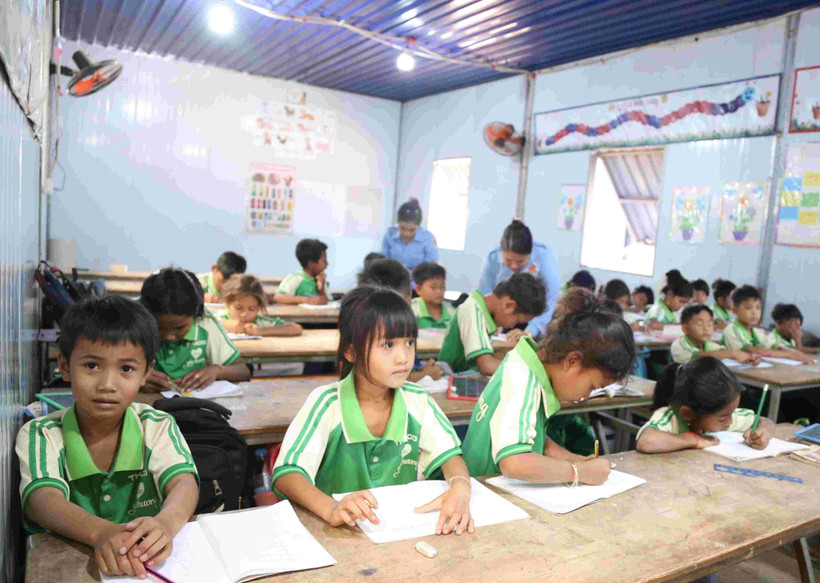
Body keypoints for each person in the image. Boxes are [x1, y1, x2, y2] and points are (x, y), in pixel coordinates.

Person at [16, 296, 199, 578]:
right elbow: (43, 499)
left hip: (145, 566)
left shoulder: (157, 425)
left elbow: (184, 483)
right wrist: (101, 532)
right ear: (64, 366)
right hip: (66, 566)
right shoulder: (42, 434)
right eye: (92, 366)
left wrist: (165, 523)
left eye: (126, 369)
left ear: (146, 373)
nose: (107, 385)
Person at [272, 287, 474, 536]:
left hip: (398, 531)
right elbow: (288, 474)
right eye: (388, 345)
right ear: (351, 351)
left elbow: (450, 456)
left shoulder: (418, 400)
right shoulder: (327, 403)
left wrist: (461, 486)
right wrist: (331, 508)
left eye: (409, 342)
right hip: (335, 534)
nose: (403, 358)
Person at [461, 289, 634, 482]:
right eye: (592, 387)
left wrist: (566, 456)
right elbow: (514, 462)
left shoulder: (528, 364)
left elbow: (528, 430)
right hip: (485, 488)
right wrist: (578, 471)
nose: (586, 397)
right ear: (572, 362)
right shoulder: (523, 381)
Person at [140, 267, 251, 392]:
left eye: (179, 328)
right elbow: (119, 368)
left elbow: (243, 371)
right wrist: (135, 377)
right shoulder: (136, 322)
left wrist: (217, 371)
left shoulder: (205, 323)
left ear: (196, 315)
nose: (169, 336)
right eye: (159, 328)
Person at [636, 358, 773, 453]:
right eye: (723, 418)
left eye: (731, 414)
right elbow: (647, 442)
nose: (730, 422)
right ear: (688, 414)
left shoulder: (723, 415)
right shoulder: (670, 418)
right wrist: (693, 439)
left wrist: (761, 433)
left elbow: (765, 421)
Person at [440, 272, 546, 376]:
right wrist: (532, 367)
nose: (512, 326)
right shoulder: (472, 311)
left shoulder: (480, 310)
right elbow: (487, 366)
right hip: (451, 377)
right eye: (517, 321)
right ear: (509, 306)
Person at [478, 220, 560, 338]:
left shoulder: (545, 256)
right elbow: (485, 296)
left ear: (530, 254)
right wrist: (491, 324)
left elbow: (550, 301)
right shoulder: (492, 258)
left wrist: (529, 332)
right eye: (508, 260)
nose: (514, 266)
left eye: (520, 261)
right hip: (503, 314)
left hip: (534, 318)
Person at [722, 285, 813, 364]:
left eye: (758, 308)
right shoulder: (731, 330)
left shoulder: (755, 332)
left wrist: (795, 353)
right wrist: (788, 355)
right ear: (735, 311)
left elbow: (774, 346)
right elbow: (750, 350)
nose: (755, 313)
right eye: (749, 308)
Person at [670, 304, 758, 365]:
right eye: (700, 324)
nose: (706, 329)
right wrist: (734, 353)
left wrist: (750, 357)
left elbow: (723, 352)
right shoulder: (679, 345)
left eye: (709, 324)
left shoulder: (709, 345)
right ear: (685, 329)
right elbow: (698, 357)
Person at [217, 274, 302, 337]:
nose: (244, 314)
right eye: (238, 308)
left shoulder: (261, 322)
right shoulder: (220, 317)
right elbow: (210, 322)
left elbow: (296, 328)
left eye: (252, 309)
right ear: (227, 303)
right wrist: (224, 324)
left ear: (258, 308)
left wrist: (261, 331)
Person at [381, 198, 438, 271]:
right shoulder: (390, 234)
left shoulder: (428, 238)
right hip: (393, 276)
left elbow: (431, 267)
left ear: (418, 226)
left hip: (418, 277)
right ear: (397, 223)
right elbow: (383, 261)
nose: (406, 234)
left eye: (412, 230)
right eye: (402, 228)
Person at [274, 239, 329, 305]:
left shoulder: (321, 280)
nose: (327, 264)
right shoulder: (296, 278)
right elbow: (278, 297)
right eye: (324, 260)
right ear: (311, 264)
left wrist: (322, 289)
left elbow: (325, 301)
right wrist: (308, 300)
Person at [411, 262, 453, 329]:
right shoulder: (410, 311)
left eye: (442, 287)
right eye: (433, 287)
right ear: (419, 289)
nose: (439, 291)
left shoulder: (453, 313)